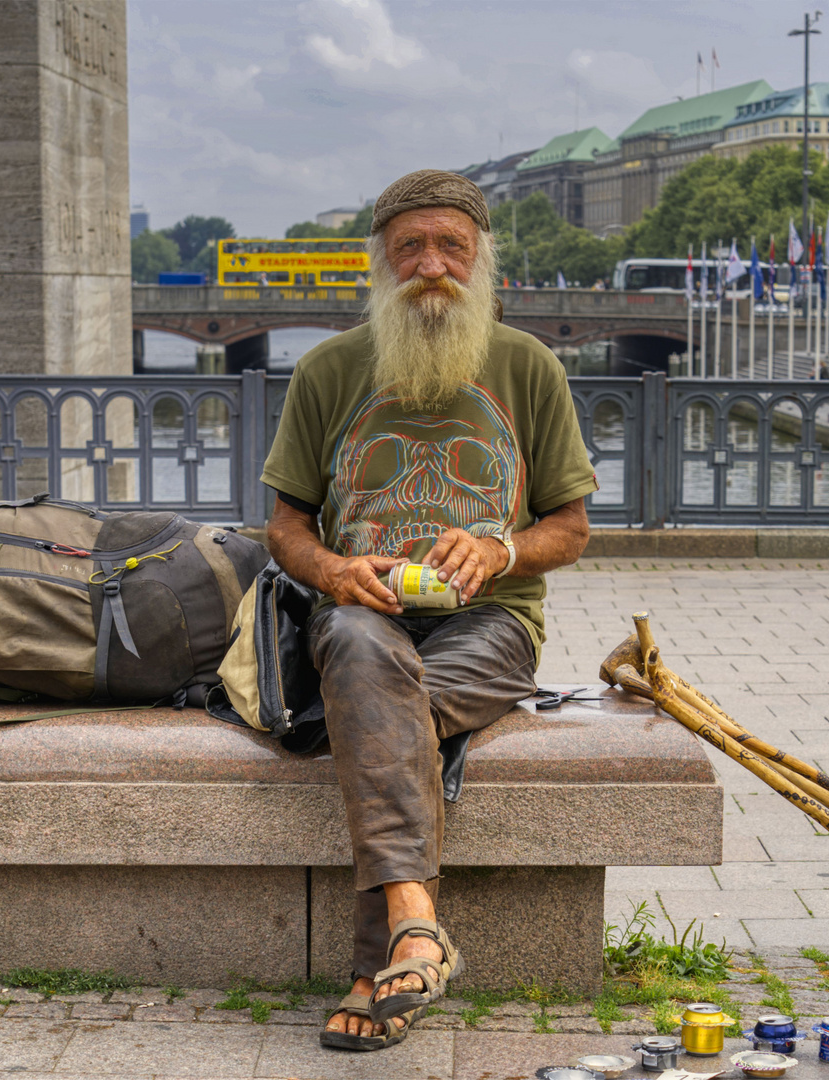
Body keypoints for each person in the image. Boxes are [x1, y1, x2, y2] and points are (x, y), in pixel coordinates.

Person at [261, 170, 597, 1052]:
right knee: (361, 651)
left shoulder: (527, 366)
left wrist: (500, 549)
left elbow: (570, 527)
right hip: (360, 615)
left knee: (371, 704)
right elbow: (284, 527)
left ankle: (383, 956)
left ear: (482, 258)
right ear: (380, 262)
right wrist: (333, 572)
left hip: (492, 628)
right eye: (410, 246)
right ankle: (414, 929)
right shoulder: (330, 370)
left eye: (450, 244)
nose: (431, 264)